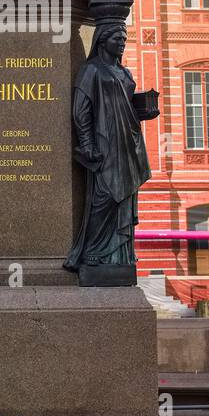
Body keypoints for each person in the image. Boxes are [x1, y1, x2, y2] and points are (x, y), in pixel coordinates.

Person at [65, 22, 158, 279]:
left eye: (124, 38)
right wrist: (87, 144)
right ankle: (93, 250)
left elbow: (125, 106)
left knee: (124, 198)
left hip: (128, 143)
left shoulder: (125, 73)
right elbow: (80, 111)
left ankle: (119, 252)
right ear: (103, 39)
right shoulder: (91, 70)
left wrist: (144, 112)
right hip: (105, 142)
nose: (122, 42)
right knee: (104, 198)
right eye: (117, 37)